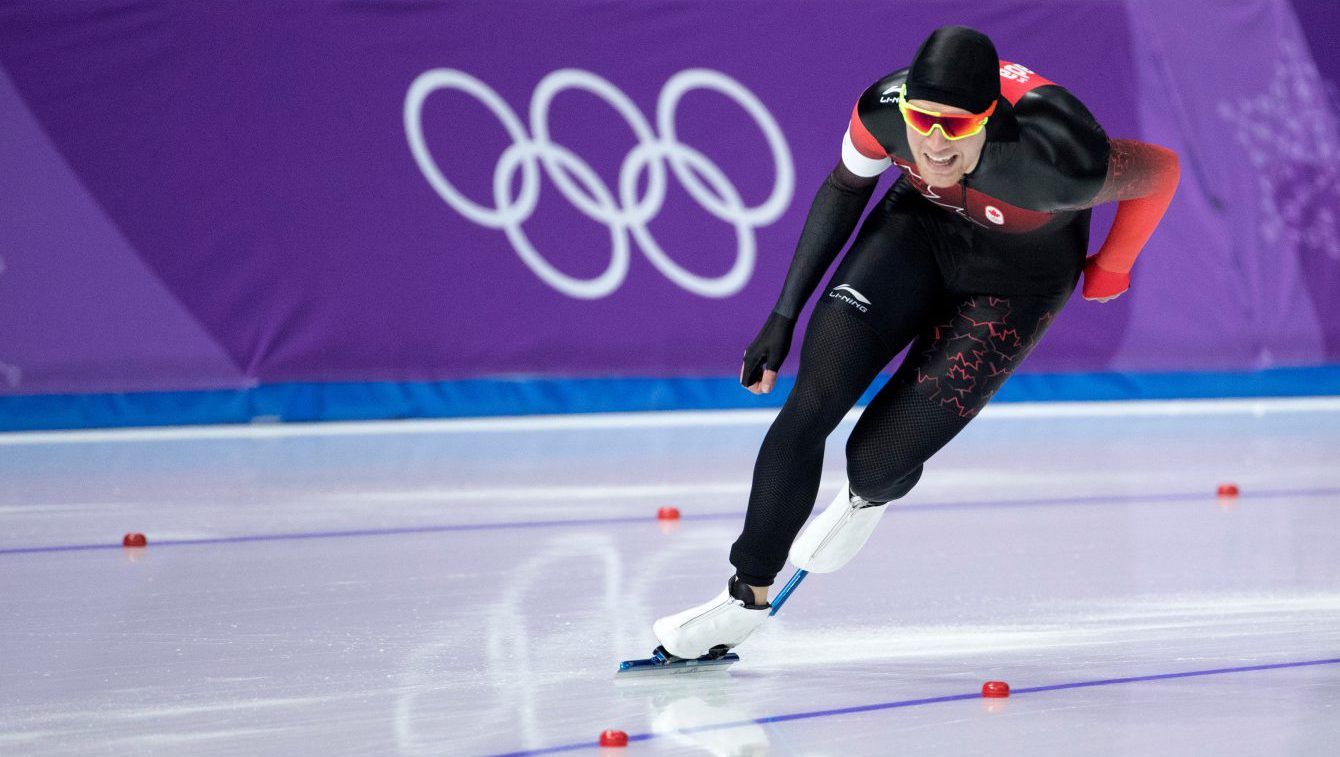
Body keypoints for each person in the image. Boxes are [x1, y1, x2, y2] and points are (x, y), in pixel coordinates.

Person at [652, 25, 1180, 660]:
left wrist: (1111, 268)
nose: (933, 142)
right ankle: (744, 596)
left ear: (991, 117)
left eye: (955, 128)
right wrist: (783, 314)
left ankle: (866, 496)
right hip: (918, 231)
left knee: (875, 458)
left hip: (1015, 283)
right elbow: (845, 189)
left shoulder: (1056, 162)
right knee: (812, 403)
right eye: (923, 120)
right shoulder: (883, 109)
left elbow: (1162, 172)